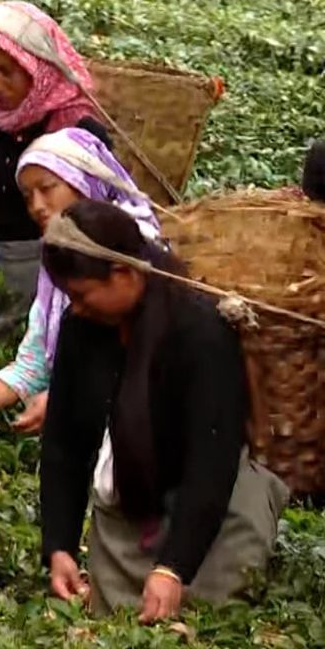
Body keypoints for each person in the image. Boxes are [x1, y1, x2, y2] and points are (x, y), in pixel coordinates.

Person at [39, 200, 290, 622]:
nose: (75, 308)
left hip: (214, 507)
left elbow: (212, 461)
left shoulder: (201, 332)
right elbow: (65, 439)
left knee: (210, 611)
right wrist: (59, 544)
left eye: (81, 295)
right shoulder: (83, 328)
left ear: (125, 274)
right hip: (134, 507)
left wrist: (174, 567)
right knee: (118, 615)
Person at [0, 128, 158, 439]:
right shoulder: (57, 265)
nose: (37, 206)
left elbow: (148, 372)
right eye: (28, 196)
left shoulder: (136, 258)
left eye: (47, 188)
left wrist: (67, 402)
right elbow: (32, 366)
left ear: (83, 182)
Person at [0, 1, 111, 338]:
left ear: (36, 68)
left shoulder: (75, 129)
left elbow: (100, 222)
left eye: (6, 71)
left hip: (52, 271)